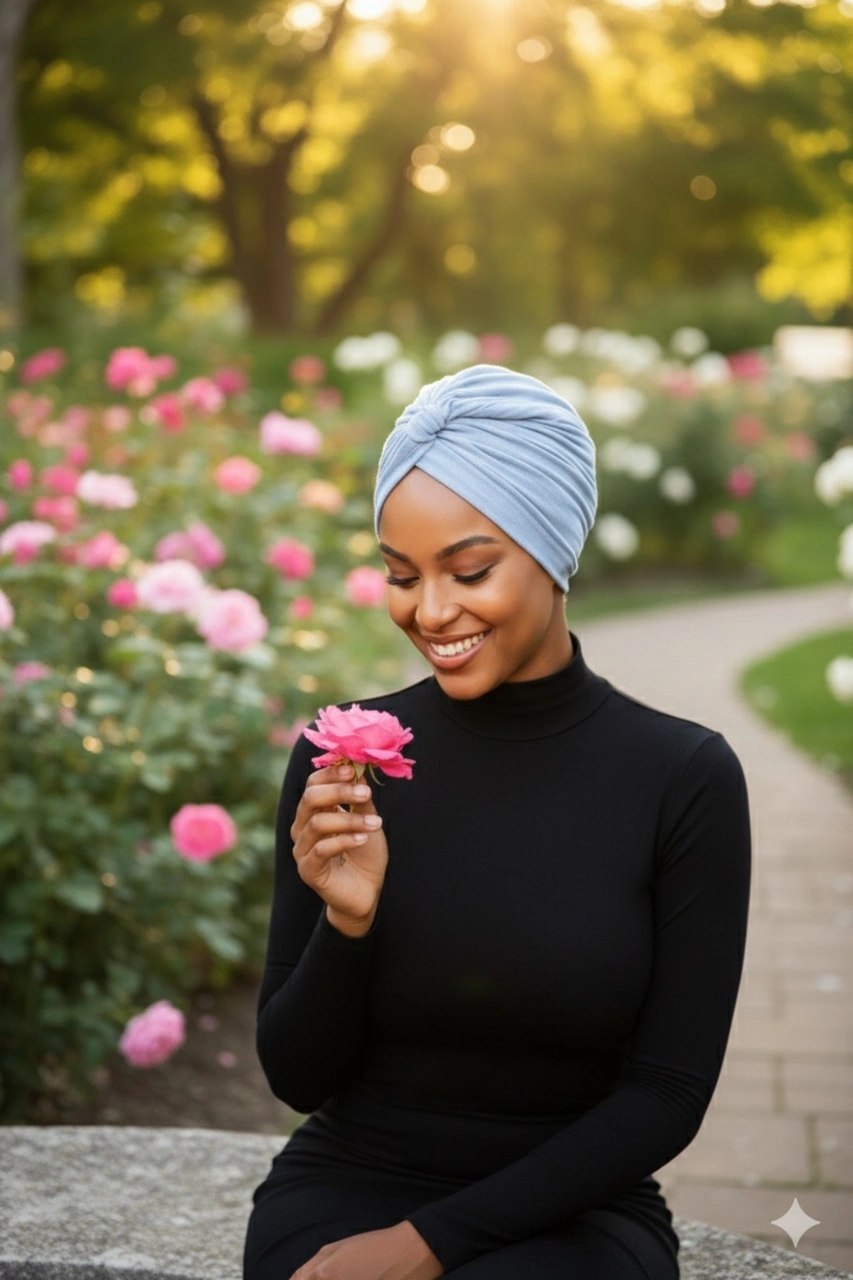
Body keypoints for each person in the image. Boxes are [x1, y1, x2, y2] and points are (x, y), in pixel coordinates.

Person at [243, 363, 752, 1280]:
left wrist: (429, 1244)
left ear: (553, 551)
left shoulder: (681, 778)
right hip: (349, 1180)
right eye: (401, 575)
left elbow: (666, 1096)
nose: (431, 611)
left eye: (470, 570)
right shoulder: (349, 759)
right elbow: (296, 1079)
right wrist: (347, 926)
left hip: (575, 1208)